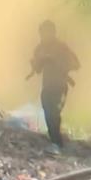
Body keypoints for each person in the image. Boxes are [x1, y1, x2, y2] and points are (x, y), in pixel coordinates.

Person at [26, 20, 80, 154]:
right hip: (47, 87)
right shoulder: (39, 49)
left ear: (53, 33)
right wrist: (37, 62)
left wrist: (57, 62)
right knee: (48, 113)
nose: (44, 36)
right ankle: (55, 142)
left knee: (54, 113)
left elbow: (76, 64)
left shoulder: (62, 47)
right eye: (42, 33)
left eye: (47, 32)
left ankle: (57, 143)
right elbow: (37, 69)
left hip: (60, 87)